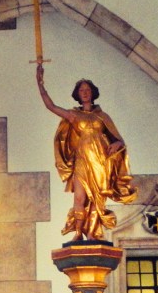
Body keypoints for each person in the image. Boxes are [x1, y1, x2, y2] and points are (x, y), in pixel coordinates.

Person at [36, 63, 137, 241]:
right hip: (82, 160)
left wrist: (116, 144)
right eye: (81, 90)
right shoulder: (74, 115)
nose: (84, 92)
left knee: (97, 199)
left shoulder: (102, 116)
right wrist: (40, 84)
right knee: (79, 198)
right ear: (77, 94)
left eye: (87, 89)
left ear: (92, 92)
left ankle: (91, 233)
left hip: (100, 161)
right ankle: (78, 233)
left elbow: (118, 139)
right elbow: (51, 106)